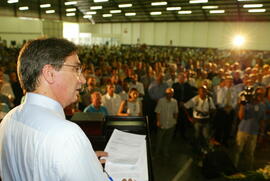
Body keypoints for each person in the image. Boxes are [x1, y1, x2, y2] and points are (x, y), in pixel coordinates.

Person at [0, 38, 109, 181]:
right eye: (76, 69)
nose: (82, 79)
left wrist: (79, 159)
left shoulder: (8, 119)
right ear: (49, 73)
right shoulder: (67, 135)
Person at [234, 86, 266, 171]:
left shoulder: (262, 106)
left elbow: (262, 121)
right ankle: (233, 169)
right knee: (237, 151)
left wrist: (261, 134)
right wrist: (242, 105)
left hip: (254, 132)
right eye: (258, 94)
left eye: (262, 94)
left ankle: (248, 170)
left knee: (250, 153)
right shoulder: (247, 104)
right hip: (243, 130)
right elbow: (241, 116)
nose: (260, 96)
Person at [184, 86, 216, 153]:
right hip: (197, 120)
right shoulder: (195, 99)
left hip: (206, 120)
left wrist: (208, 112)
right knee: (197, 135)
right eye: (202, 91)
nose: (203, 93)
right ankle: (197, 148)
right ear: (198, 92)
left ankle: (206, 148)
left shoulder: (209, 99)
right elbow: (185, 106)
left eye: (204, 91)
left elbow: (213, 108)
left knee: (206, 135)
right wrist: (189, 117)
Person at [155, 88, 178, 158]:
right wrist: (158, 121)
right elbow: (158, 112)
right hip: (163, 123)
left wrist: (175, 120)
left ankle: (165, 151)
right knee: (159, 139)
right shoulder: (161, 101)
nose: (170, 95)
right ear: (166, 94)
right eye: (168, 93)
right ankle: (157, 152)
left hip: (171, 123)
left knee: (168, 140)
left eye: (171, 93)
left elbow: (176, 112)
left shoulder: (175, 101)